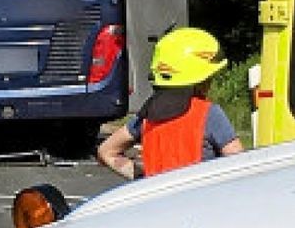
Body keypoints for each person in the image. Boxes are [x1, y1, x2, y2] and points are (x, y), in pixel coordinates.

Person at [97, 27, 244, 179]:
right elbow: (239, 165)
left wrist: (141, 177)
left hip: (159, 199)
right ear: (200, 81)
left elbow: (106, 151)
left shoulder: (147, 116)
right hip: (201, 199)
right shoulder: (209, 114)